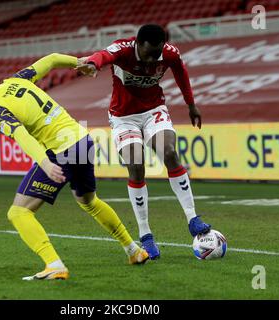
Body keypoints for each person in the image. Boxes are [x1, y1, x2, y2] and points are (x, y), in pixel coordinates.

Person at [0, 53, 149, 280]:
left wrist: (46, 163)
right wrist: (79, 63)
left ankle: (54, 265)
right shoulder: (16, 81)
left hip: (61, 150)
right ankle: (133, 250)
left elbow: (22, 136)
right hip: (82, 139)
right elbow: (51, 59)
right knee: (89, 202)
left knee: (18, 212)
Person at [76, 24, 211, 260]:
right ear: (138, 43)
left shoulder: (168, 52)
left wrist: (191, 104)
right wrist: (92, 64)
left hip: (153, 110)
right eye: (150, 52)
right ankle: (146, 234)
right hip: (123, 117)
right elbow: (103, 56)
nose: (154, 59)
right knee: (136, 166)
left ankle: (192, 218)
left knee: (169, 152)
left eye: (157, 53)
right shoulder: (123, 49)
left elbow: (180, 72)